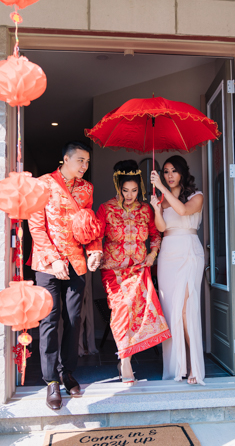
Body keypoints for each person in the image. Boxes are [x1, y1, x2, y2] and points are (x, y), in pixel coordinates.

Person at [28, 141, 103, 410]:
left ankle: (67, 372)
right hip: (48, 263)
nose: (85, 166)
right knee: (49, 321)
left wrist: (94, 251)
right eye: (81, 160)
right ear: (66, 159)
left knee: (73, 319)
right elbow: (36, 227)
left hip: (76, 263)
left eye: (87, 162)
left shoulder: (87, 189)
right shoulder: (42, 184)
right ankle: (51, 381)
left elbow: (88, 224)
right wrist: (53, 259)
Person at [95, 160, 171, 385]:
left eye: (134, 190)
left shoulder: (146, 209)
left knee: (135, 314)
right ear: (117, 187)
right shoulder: (106, 209)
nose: (129, 195)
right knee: (121, 310)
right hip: (113, 271)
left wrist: (153, 254)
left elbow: (156, 235)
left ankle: (125, 361)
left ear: (140, 189)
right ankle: (125, 359)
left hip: (138, 269)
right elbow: (97, 237)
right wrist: (94, 255)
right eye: (125, 190)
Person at [149, 155, 205, 385]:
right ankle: (177, 366)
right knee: (171, 311)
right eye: (165, 171)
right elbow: (161, 228)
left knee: (185, 310)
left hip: (189, 252)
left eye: (173, 171)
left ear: (182, 172)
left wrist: (161, 188)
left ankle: (193, 364)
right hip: (168, 255)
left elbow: (182, 211)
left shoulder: (196, 196)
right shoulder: (163, 201)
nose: (169, 175)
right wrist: (156, 209)